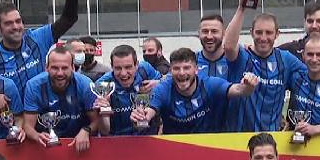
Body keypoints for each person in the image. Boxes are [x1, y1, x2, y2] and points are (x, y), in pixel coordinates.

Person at [222, 0, 308, 132]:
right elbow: (228, 46)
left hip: (269, 140)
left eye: (268, 33)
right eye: (259, 32)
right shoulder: (243, 55)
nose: (263, 38)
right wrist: (241, 8)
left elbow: (314, 74)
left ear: (277, 34)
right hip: (237, 138)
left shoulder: (286, 59)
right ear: (251, 33)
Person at [131, 48, 259, 134]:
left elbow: (238, 90)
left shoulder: (209, 84)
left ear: (196, 70)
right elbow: (147, 114)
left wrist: (248, 86)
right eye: (176, 68)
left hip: (208, 148)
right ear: (170, 70)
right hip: (173, 150)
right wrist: (140, 118)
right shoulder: (163, 89)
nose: (182, 73)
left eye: (187, 68)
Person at [0, 0, 82, 88]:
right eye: (8, 23)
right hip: (14, 107)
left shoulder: (37, 38)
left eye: (18, 21)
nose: (15, 27)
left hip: (42, 106)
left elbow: (69, 19)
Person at [22, 47, 103, 152]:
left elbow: (97, 121)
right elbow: (28, 126)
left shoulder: (85, 84)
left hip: (78, 144)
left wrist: (86, 130)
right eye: (55, 68)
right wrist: (37, 136)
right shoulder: (33, 86)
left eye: (64, 68)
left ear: (73, 68)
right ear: (46, 68)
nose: (60, 73)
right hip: (45, 146)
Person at [95, 44, 162, 135]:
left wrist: (158, 82)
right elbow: (104, 131)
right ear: (111, 66)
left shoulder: (145, 70)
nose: (123, 73)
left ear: (137, 65)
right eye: (118, 68)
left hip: (147, 137)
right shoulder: (104, 84)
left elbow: (168, 82)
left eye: (128, 67)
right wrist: (104, 113)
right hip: (117, 140)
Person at [196, 14, 230, 78]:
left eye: (214, 31)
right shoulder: (192, 62)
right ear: (199, 34)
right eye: (205, 31)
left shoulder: (233, 61)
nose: (209, 36)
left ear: (223, 33)